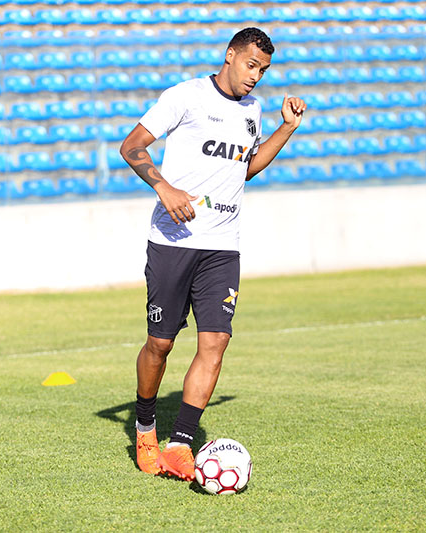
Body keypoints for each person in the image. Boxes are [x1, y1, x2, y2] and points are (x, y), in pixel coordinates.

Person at [119, 27, 307, 481]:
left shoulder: (253, 110)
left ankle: (181, 444)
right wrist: (164, 188)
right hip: (174, 241)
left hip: (223, 245)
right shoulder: (185, 97)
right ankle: (145, 429)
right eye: (251, 65)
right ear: (230, 55)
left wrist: (285, 128)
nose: (255, 76)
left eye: (263, 70)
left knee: (216, 341)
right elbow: (131, 146)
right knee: (160, 344)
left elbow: (246, 169)